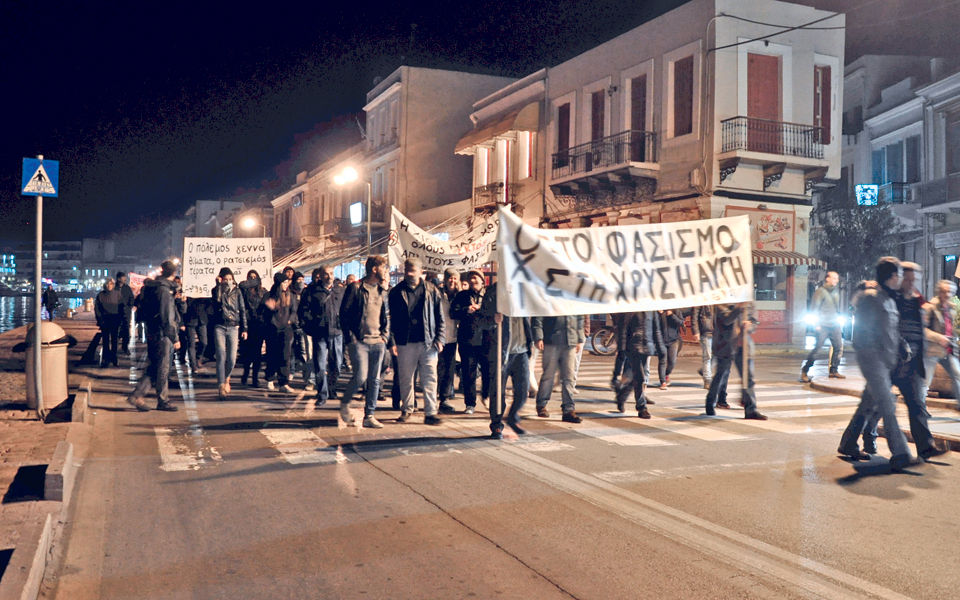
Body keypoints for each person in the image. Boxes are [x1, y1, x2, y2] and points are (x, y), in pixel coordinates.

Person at [846, 263, 946, 462]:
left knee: (911, 404)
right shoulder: (881, 297)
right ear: (895, 278)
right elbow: (871, 325)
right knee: (880, 405)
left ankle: (924, 447)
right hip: (883, 361)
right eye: (905, 278)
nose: (909, 283)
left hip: (905, 361)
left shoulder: (911, 300)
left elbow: (895, 330)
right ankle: (894, 450)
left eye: (912, 279)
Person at [836, 257, 916, 469]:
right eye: (900, 274)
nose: (902, 279)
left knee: (867, 405)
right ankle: (901, 454)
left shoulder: (888, 298)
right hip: (873, 360)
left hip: (885, 361)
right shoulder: (870, 298)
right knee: (888, 406)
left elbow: (890, 329)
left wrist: (902, 346)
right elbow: (862, 333)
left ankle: (848, 443)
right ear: (892, 276)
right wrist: (875, 360)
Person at [388, 257, 445, 424]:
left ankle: (430, 412)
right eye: (407, 270)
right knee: (406, 378)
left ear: (421, 271)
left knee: (430, 378)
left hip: (428, 341)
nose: (409, 273)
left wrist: (440, 338)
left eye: (413, 270)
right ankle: (407, 409)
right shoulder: (396, 292)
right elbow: (389, 319)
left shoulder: (432, 290)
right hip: (404, 342)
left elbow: (440, 316)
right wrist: (391, 342)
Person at [339, 255, 390, 428]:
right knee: (360, 376)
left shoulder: (382, 291)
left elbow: (386, 317)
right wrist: (351, 339)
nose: (386, 271)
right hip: (360, 341)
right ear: (374, 269)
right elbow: (344, 315)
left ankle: (370, 415)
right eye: (384, 267)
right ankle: (345, 404)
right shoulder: (355, 288)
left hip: (378, 342)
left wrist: (385, 337)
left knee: (375, 380)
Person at [126, 261, 180, 412]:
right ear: (173, 273)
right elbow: (166, 316)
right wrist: (174, 337)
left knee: (154, 366)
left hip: (152, 330)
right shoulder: (164, 291)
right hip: (162, 334)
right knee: (163, 368)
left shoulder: (155, 287)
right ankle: (162, 400)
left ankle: (137, 395)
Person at [704, 303, 767, 420]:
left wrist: (750, 326)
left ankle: (751, 409)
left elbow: (753, 321)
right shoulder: (722, 303)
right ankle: (710, 402)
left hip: (743, 345)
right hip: (725, 346)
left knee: (748, 378)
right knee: (721, 376)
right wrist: (738, 308)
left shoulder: (749, 301)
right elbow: (727, 320)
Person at [298, 266, 343, 406]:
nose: (329, 276)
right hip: (320, 334)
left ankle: (332, 387)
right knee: (320, 365)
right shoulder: (311, 291)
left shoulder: (340, 290)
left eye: (331, 273)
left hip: (337, 333)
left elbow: (347, 309)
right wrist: (310, 328)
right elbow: (303, 312)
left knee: (337, 364)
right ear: (320, 276)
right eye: (326, 274)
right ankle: (322, 393)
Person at [451, 269, 493, 415]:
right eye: (471, 279)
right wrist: (466, 310)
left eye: (476, 279)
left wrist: (482, 309)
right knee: (469, 372)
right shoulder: (462, 295)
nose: (473, 281)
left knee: (488, 370)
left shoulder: (489, 295)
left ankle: (486, 396)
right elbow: (453, 312)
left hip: (486, 339)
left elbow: (495, 313)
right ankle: (470, 403)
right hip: (467, 338)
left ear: (483, 281)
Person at [491, 296, 533, 437]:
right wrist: (493, 319)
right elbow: (481, 320)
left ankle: (513, 417)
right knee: (498, 392)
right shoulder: (495, 294)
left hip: (521, 352)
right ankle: (496, 425)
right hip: (501, 353)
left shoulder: (523, 297)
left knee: (523, 389)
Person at [532, 314, 585, 423]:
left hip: (570, 339)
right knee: (548, 375)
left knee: (569, 377)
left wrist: (579, 338)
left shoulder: (572, 297)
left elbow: (580, 316)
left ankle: (568, 410)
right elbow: (538, 316)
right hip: (551, 339)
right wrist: (538, 337)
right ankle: (541, 404)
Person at [614, 311, 664, 418]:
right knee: (640, 377)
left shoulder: (652, 311)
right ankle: (642, 407)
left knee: (636, 378)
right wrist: (622, 350)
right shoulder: (632, 308)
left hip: (647, 347)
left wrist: (661, 349)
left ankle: (621, 396)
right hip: (632, 347)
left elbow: (656, 330)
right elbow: (623, 330)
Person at [211, 268, 248, 399]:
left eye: (230, 279)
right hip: (220, 326)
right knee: (221, 355)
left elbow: (242, 309)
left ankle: (227, 377)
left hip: (233, 327)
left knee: (232, 359)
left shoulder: (237, 292)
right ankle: (221, 385)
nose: (228, 282)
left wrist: (245, 328)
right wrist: (218, 286)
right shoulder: (216, 290)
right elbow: (217, 302)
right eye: (225, 279)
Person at [801, 271, 845, 382]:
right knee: (817, 349)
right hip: (823, 325)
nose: (836, 280)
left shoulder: (836, 292)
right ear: (827, 279)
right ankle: (805, 369)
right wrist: (816, 325)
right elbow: (814, 308)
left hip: (834, 325)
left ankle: (833, 370)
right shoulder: (820, 292)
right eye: (834, 278)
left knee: (839, 347)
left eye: (837, 278)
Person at [923, 279, 960, 408]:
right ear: (939, 292)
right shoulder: (930, 307)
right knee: (925, 382)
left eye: (950, 291)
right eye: (944, 291)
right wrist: (939, 338)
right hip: (931, 351)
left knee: (957, 375)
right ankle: (920, 409)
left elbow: (952, 329)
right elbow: (923, 329)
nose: (947, 294)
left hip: (947, 351)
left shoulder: (951, 308)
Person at [260, 273, 298, 393]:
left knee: (285, 356)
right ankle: (270, 378)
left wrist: (290, 320)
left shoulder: (290, 296)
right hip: (271, 329)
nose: (287, 285)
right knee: (272, 354)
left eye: (288, 283)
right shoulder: (269, 295)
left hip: (286, 329)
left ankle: (283, 383)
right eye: (285, 283)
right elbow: (260, 312)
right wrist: (268, 308)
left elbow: (294, 310)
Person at [437, 268, 460, 414]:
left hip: (453, 338)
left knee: (449, 370)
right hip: (438, 337)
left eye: (455, 278)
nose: (452, 281)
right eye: (450, 278)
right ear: (445, 279)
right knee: (436, 370)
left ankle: (444, 399)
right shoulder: (438, 294)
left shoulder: (460, 296)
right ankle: (433, 398)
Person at [239, 270, 266, 387]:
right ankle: (245, 374)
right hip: (247, 324)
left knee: (257, 353)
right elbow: (241, 285)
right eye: (250, 277)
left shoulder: (263, 291)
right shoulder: (244, 291)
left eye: (255, 277)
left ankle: (255, 378)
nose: (252, 280)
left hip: (259, 324)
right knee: (247, 353)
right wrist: (254, 282)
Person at [95, 278, 123, 367]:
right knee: (105, 341)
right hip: (104, 320)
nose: (109, 285)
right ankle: (106, 359)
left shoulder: (118, 294)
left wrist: (121, 319)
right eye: (108, 284)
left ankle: (114, 358)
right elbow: (97, 309)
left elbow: (122, 307)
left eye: (111, 284)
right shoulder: (100, 295)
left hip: (115, 320)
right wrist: (100, 320)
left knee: (115, 341)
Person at [657, 309, 683, 389]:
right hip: (661, 340)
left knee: (672, 362)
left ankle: (665, 374)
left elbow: (681, 323)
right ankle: (663, 381)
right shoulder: (657, 311)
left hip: (673, 340)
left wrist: (672, 315)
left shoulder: (676, 310)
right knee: (662, 360)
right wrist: (659, 315)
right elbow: (653, 325)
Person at [691, 305, 715, 389]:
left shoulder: (718, 298)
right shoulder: (701, 298)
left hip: (718, 332)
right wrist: (695, 331)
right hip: (706, 331)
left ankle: (703, 370)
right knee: (707, 357)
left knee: (717, 355)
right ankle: (707, 380)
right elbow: (694, 315)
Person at [116, 272, 135, 354]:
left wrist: (129, 307)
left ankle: (125, 346)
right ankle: (114, 346)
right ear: (119, 279)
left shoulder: (127, 288)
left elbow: (131, 298)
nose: (125, 279)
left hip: (126, 312)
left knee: (126, 329)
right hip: (115, 312)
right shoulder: (114, 287)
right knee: (116, 329)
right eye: (123, 278)